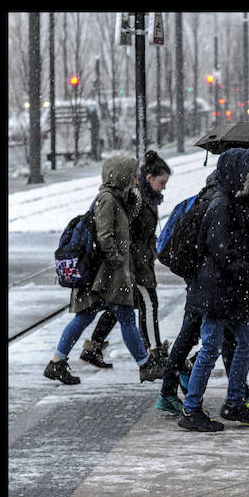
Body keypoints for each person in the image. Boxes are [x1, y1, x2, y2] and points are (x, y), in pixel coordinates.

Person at [155, 166, 249, 415]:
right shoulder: (217, 203)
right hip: (209, 285)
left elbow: (233, 235)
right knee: (202, 341)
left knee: (221, 340)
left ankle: (233, 396)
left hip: (210, 283)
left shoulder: (220, 201)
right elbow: (222, 247)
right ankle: (180, 396)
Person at [43, 155, 166, 385]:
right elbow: (104, 236)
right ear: (121, 176)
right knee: (125, 317)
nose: (135, 180)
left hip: (106, 274)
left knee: (85, 317)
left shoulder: (117, 197)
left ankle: (57, 362)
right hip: (108, 274)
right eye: (131, 176)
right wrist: (118, 260)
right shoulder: (107, 199)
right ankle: (145, 366)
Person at [79, 150, 171, 378]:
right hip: (134, 262)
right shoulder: (137, 197)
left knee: (120, 306)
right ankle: (154, 354)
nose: (164, 187)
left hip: (138, 258)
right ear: (148, 178)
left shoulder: (146, 196)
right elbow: (124, 228)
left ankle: (95, 347)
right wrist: (125, 258)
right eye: (162, 182)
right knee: (149, 304)